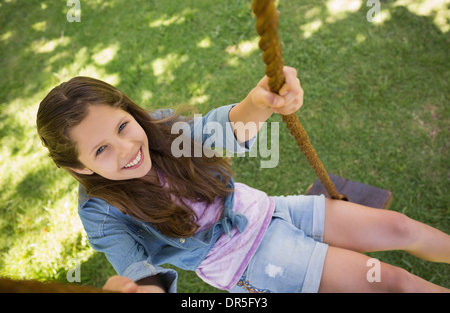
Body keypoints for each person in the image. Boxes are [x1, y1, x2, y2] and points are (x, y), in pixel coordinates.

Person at [36, 67, 449, 293]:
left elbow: (224, 127)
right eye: (101, 150)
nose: (125, 149)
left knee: (398, 226)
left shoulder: (160, 133)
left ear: (130, 112)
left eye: (123, 127)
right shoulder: (103, 215)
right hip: (248, 262)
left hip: (269, 210)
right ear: (80, 167)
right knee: (389, 282)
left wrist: (259, 101)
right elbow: (135, 266)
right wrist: (140, 289)